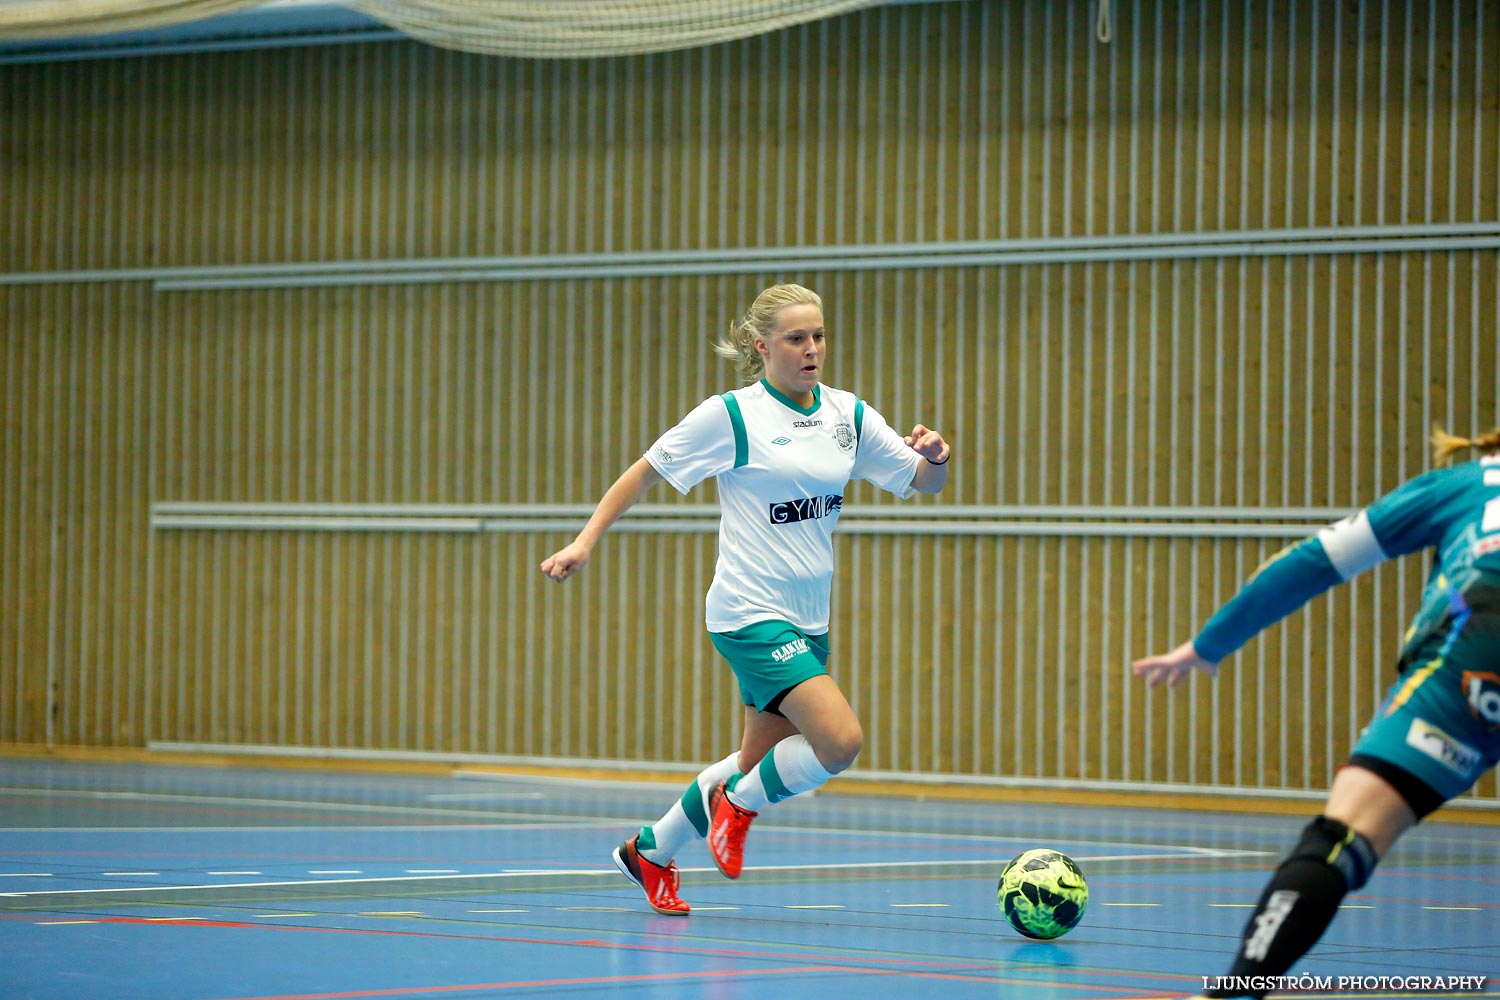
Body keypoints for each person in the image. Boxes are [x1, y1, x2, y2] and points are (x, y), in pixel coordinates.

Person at [540, 283, 950, 915]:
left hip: (809, 617)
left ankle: (649, 851)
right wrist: (584, 542)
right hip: (747, 612)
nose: (812, 349)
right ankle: (736, 808)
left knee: (754, 764)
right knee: (839, 742)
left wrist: (936, 458)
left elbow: (922, 484)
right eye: (796, 338)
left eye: (818, 336)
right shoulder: (732, 416)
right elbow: (644, 470)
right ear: (762, 347)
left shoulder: (848, 415)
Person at [1132, 425, 1500, 998]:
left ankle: (1239, 989)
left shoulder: (1470, 484)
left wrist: (1208, 645)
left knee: (1344, 836)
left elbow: (1314, 561)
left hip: (1477, 658)